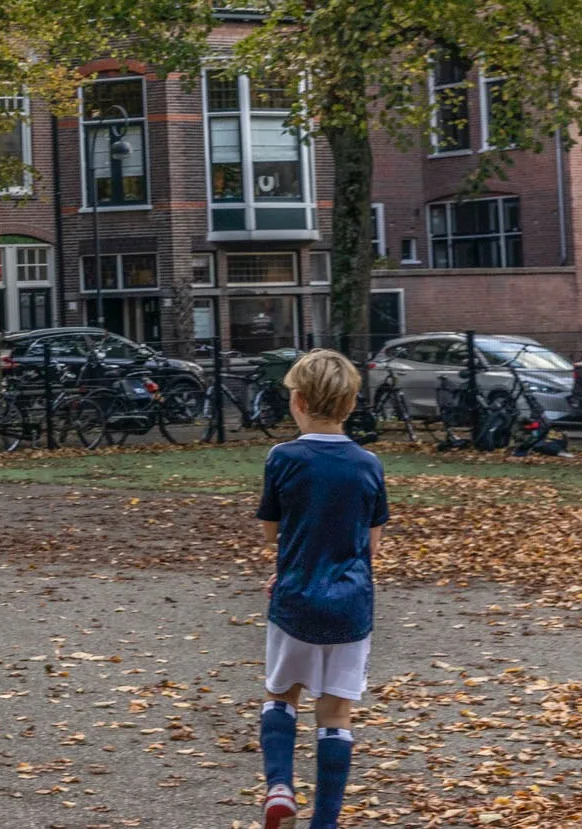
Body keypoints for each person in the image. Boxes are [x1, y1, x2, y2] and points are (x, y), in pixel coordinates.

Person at [256, 349, 389, 829]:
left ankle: (280, 787)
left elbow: (273, 531)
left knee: (281, 693)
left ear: (297, 401)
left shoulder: (283, 458)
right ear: (351, 403)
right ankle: (325, 822)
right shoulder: (369, 464)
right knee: (335, 712)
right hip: (351, 606)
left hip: (294, 596)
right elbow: (370, 543)